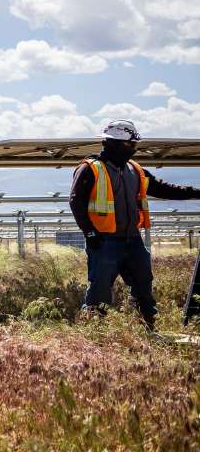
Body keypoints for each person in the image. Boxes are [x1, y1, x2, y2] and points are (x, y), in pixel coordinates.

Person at [69, 119, 200, 329]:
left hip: (132, 240)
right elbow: (76, 201)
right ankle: (94, 333)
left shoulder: (135, 170)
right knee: (100, 290)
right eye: (130, 145)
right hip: (104, 241)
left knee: (143, 285)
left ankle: (147, 328)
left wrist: (195, 193)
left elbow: (162, 188)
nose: (133, 149)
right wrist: (90, 234)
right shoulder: (90, 169)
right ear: (113, 144)